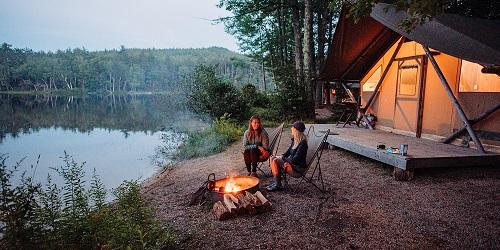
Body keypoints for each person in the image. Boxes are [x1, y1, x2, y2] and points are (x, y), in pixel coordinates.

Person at [266, 121, 308, 191]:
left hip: (297, 168)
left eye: (293, 127)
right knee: (272, 157)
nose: (291, 128)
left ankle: (278, 185)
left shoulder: (303, 144)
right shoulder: (295, 140)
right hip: (292, 164)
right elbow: (288, 153)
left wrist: (283, 158)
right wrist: (282, 156)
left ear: (296, 130)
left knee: (276, 160)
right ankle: (277, 181)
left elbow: (295, 160)